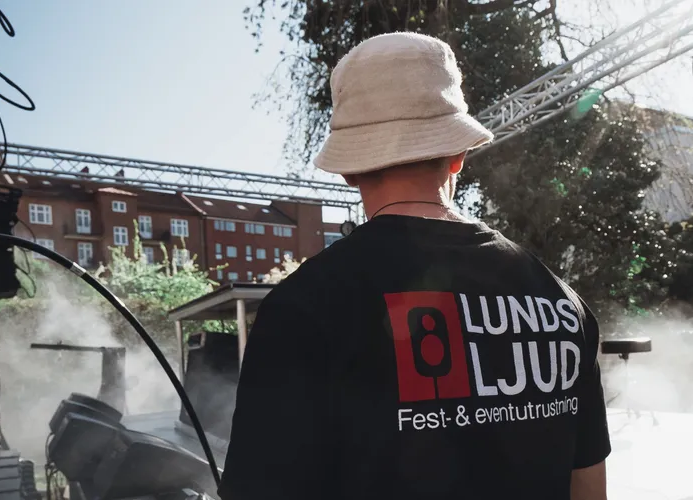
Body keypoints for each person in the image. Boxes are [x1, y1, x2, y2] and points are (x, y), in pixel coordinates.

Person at [219, 32, 610, 500]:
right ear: (459, 155)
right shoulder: (563, 304)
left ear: (349, 168)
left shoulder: (302, 308)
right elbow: (589, 488)